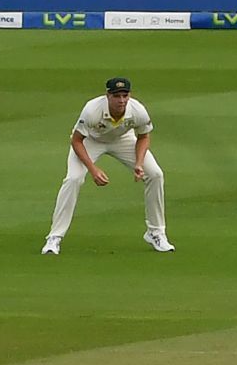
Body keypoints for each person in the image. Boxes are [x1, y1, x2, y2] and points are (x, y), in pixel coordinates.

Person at [42, 75, 173, 255]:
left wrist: (139, 164)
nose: (121, 100)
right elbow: (77, 141)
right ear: (108, 96)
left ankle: (156, 233)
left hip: (123, 140)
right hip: (91, 141)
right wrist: (93, 170)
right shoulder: (92, 110)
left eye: (124, 96)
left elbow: (143, 137)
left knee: (155, 174)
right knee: (74, 179)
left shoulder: (138, 110)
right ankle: (54, 238)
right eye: (116, 96)